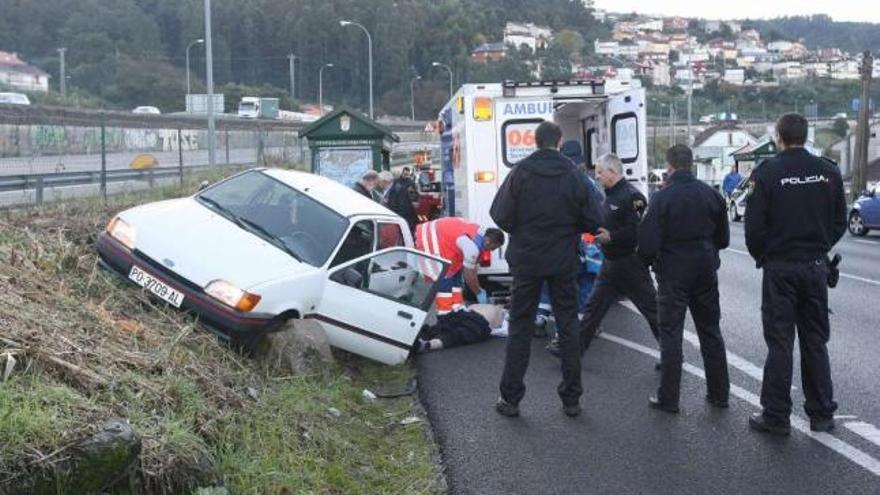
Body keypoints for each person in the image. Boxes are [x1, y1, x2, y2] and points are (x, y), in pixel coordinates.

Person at [490, 121, 603, 418]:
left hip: (527, 260)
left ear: (535, 141)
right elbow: (594, 218)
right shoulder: (574, 175)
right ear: (559, 141)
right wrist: (570, 229)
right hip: (563, 259)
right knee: (567, 325)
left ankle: (511, 398)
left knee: (520, 326)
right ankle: (571, 399)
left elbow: (499, 214)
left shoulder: (521, 172)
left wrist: (524, 230)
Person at [744, 113, 846, 436]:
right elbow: (839, 220)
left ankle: (776, 415)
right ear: (806, 136)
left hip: (781, 268)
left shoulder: (768, 173)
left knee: (780, 342)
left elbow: (754, 228)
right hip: (815, 267)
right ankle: (822, 414)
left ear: (779, 137)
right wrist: (819, 247)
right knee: (815, 340)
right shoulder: (828, 172)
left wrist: (766, 256)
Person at [637, 144, 731, 413]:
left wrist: (647, 262)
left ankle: (669, 398)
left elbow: (647, 241)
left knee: (671, 334)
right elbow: (723, 239)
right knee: (710, 331)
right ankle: (719, 392)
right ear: (691, 164)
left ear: (670, 166)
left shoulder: (662, 198)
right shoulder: (711, 195)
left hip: (673, 271)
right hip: (704, 269)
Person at [547, 153, 660, 361]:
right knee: (593, 308)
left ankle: (671, 354)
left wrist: (612, 237)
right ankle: (572, 352)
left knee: (652, 310)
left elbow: (637, 231)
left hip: (630, 264)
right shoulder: (607, 195)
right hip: (610, 263)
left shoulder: (633, 197)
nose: (597, 176)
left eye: (600, 172)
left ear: (612, 172)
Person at [534, 140, 604, 336]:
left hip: (561, 246)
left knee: (555, 285)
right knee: (583, 286)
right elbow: (599, 214)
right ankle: (577, 328)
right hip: (587, 246)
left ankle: (541, 319)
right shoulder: (588, 183)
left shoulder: (551, 183)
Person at [415, 217, 505, 312]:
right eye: (493, 248)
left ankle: (457, 308)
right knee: (445, 278)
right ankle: (445, 312)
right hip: (431, 239)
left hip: (441, 235)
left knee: (456, 274)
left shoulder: (480, 234)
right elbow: (468, 275)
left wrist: (478, 288)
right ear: (488, 241)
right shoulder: (472, 247)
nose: (491, 251)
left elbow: (472, 268)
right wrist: (478, 292)